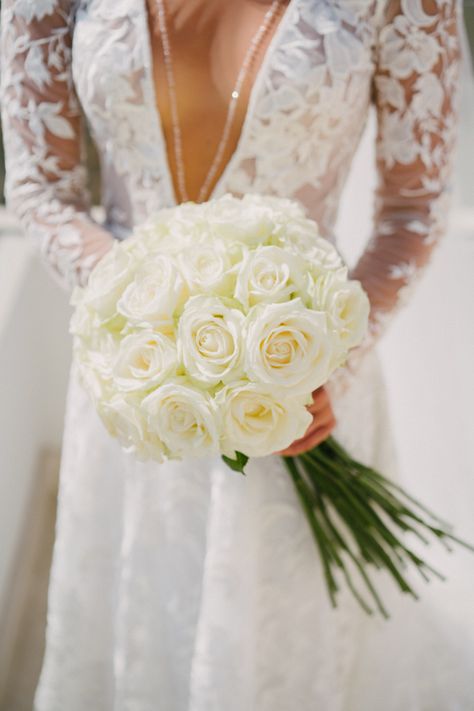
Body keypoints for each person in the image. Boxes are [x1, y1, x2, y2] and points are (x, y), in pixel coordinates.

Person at [1, 0, 472, 709]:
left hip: (308, 385)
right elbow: (40, 192)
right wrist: (153, 331)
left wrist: (319, 367)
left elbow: (415, 207)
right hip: (138, 394)